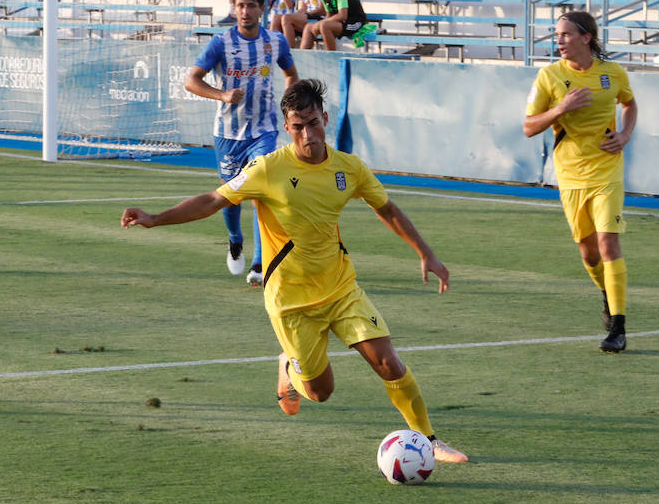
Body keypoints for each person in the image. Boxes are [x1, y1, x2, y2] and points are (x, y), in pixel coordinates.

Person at [121, 78, 468, 464]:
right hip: (291, 302)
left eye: (313, 122)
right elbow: (213, 199)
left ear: (325, 119)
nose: (308, 134)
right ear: (287, 128)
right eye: (298, 126)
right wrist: (155, 218)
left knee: (388, 361)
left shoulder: (349, 168)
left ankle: (429, 440)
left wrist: (426, 253)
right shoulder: (268, 169)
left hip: (340, 289)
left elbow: (386, 208)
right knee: (320, 392)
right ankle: (287, 363)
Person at [522, 10, 638, 353]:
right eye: (557, 35)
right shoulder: (549, 77)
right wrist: (560, 109)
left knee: (608, 245)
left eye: (566, 35)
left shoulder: (612, 73)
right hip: (571, 176)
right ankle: (607, 292)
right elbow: (528, 127)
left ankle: (618, 326)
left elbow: (629, 104)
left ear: (586, 37)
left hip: (607, 170)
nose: (559, 41)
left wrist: (625, 134)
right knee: (589, 255)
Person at [186, 0, 299, 286]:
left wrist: (288, 107)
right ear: (234, 9)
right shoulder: (220, 43)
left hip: (264, 131)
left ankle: (260, 263)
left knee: (260, 192)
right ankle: (235, 238)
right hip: (227, 133)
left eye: (251, 5)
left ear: (262, 9)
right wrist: (222, 95)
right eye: (240, 6)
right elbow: (192, 81)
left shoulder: (275, 42)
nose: (245, 11)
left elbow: (290, 73)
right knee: (230, 197)